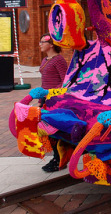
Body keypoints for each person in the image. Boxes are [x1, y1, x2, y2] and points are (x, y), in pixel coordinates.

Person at [38, 33, 68, 172]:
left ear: (51, 45)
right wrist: (41, 99)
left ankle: (59, 159)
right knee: (47, 129)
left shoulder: (59, 60)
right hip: (45, 98)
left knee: (54, 129)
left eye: (43, 42)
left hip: (55, 100)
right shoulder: (45, 60)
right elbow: (44, 82)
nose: (40, 44)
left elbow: (65, 81)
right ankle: (57, 157)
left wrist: (52, 94)